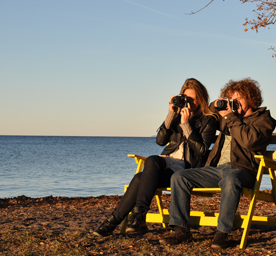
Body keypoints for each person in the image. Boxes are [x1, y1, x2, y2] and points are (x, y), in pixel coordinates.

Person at [159, 78, 276, 249]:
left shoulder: (263, 120)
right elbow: (212, 108)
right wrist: (222, 104)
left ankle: (222, 233)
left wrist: (231, 116)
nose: (234, 103)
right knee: (179, 177)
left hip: (244, 171)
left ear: (251, 99)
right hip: (217, 169)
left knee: (231, 178)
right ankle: (181, 230)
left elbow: (249, 142)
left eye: (239, 99)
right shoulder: (228, 118)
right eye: (231, 100)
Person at [93, 78, 218, 236]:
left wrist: (186, 125)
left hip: (185, 169)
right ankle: (138, 215)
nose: (189, 102)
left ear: (201, 99)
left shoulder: (208, 120)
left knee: (140, 178)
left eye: (192, 99)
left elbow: (201, 150)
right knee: (152, 159)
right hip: (167, 161)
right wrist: (171, 114)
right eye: (186, 98)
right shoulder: (177, 116)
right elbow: (160, 141)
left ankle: (113, 222)